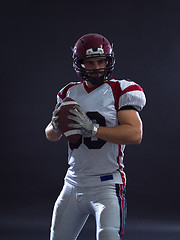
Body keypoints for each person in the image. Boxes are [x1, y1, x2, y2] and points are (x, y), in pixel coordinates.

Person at [45, 33, 146, 240]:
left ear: (109, 61)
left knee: (108, 236)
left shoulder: (120, 90)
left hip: (107, 184)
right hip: (73, 182)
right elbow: (50, 135)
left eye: (101, 61)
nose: (97, 67)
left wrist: (93, 129)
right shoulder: (68, 93)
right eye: (90, 62)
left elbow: (135, 134)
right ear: (80, 64)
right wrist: (55, 126)